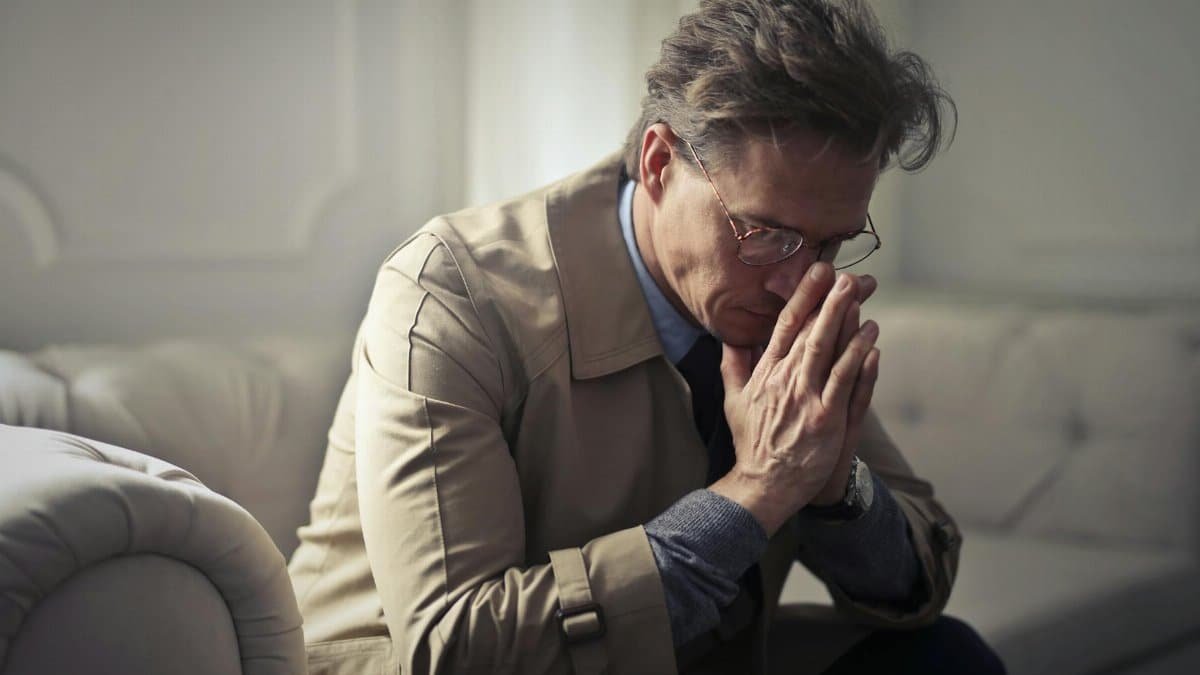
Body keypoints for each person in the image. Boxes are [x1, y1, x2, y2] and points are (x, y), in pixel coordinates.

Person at [287, 1, 1005, 673]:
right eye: (767, 234)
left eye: (831, 243)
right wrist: (757, 491)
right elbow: (454, 646)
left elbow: (921, 577)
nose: (797, 282)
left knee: (947, 658)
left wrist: (832, 484)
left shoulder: (780, 293)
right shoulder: (452, 291)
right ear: (660, 163)